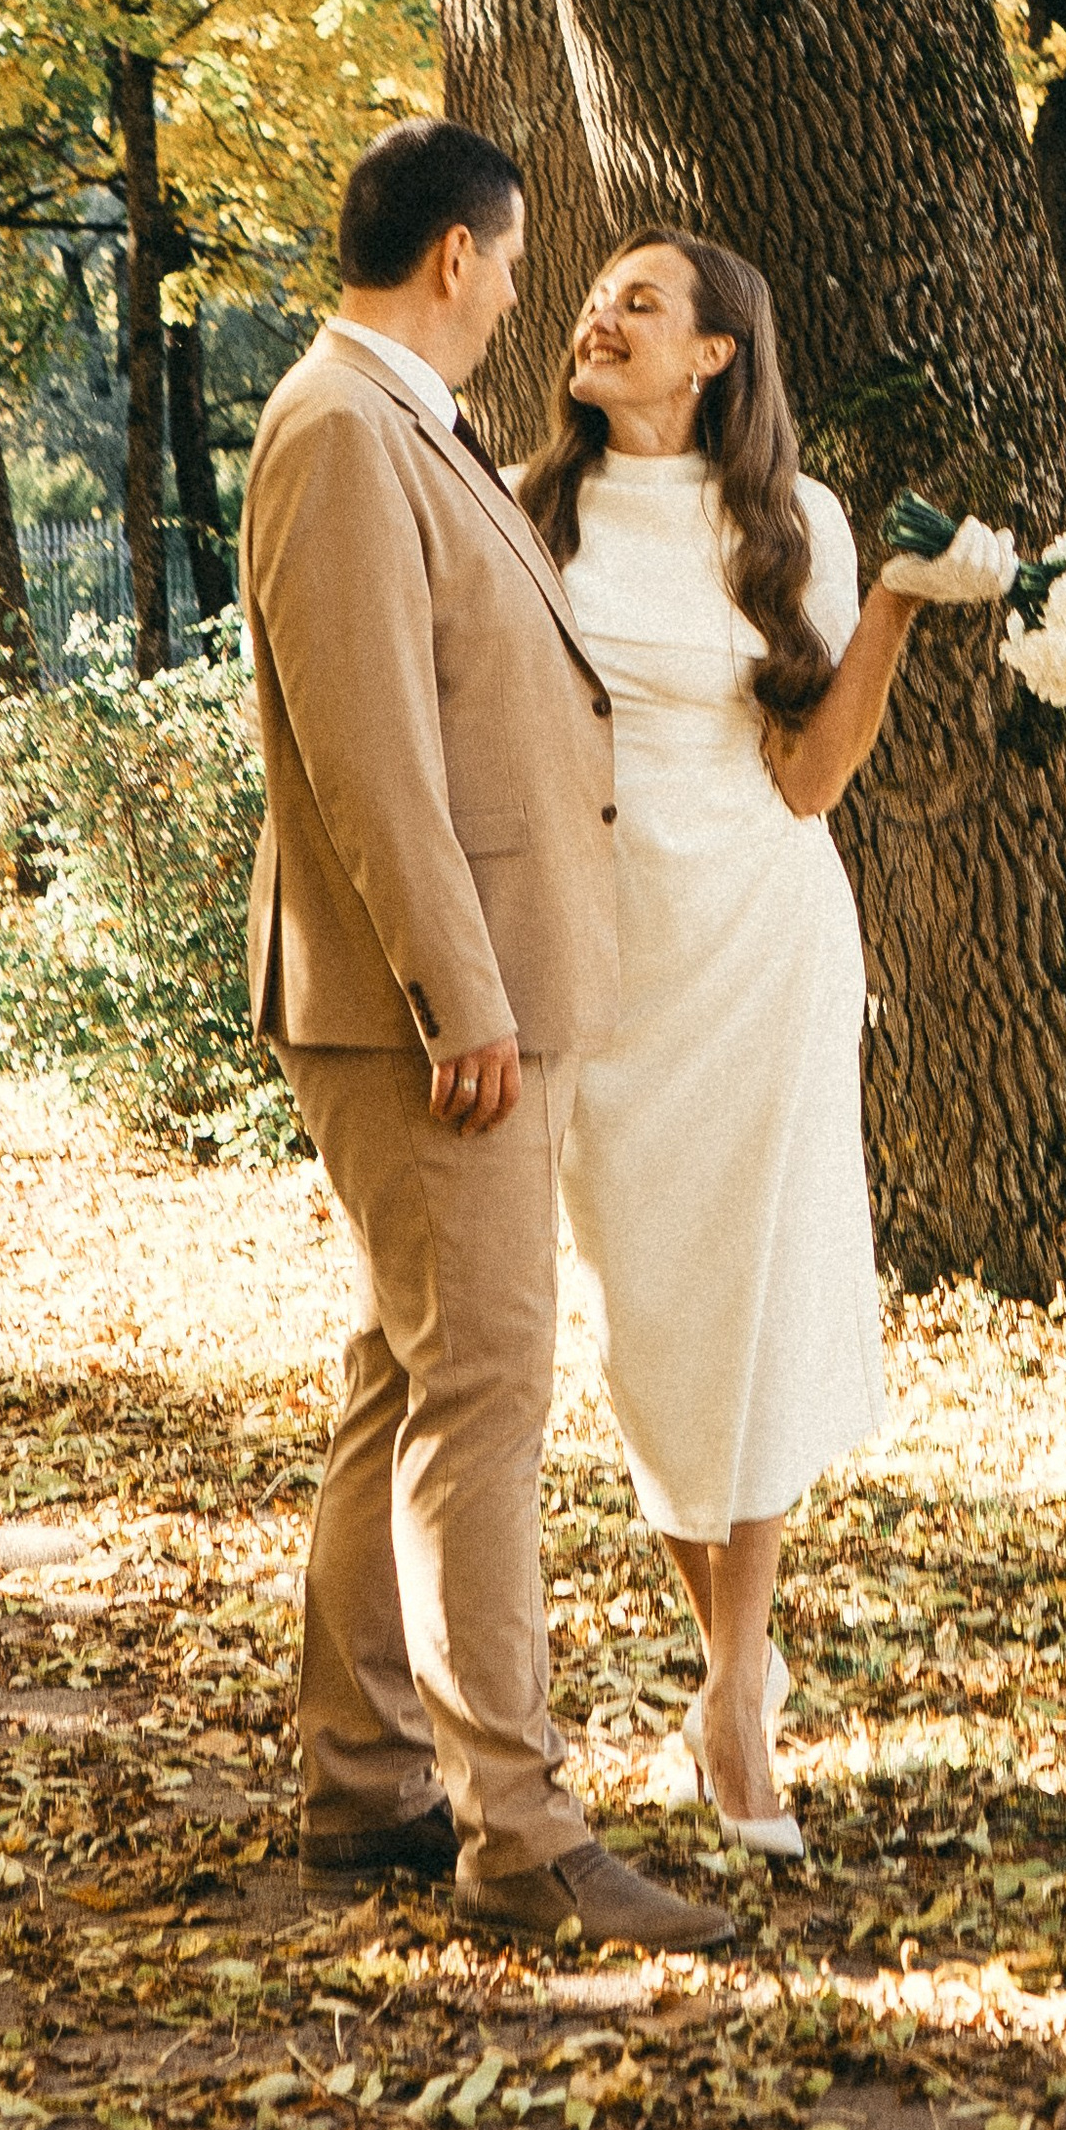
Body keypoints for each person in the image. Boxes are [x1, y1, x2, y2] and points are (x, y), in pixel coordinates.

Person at [238, 121, 735, 1955]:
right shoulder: (342, 432)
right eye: (517, 260)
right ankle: (518, 1833)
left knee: (408, 1379)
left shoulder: (391, 426)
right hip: (430, 1017)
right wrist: (464, 997)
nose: (525, 292)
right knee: (486, 1401)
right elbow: (371, 751)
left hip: (455, 1000)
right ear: (456, 255)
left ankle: (362, 1778)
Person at [513, 231, 1012, 1854]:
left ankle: (734, 1690)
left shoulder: (791, 527)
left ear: (718, 353)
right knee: (651, 1318)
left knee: (755, 1301)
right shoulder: (531, 510)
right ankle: (733, 1665)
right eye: (598, 295)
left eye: (641, 303)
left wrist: (891, 611)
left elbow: (810, 779)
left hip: (761, 939)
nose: (601, 313)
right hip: (608, 957)